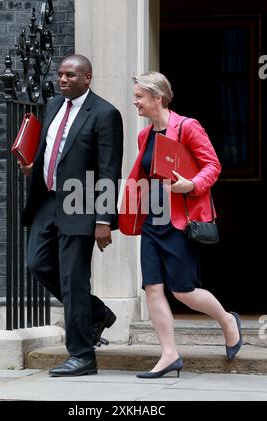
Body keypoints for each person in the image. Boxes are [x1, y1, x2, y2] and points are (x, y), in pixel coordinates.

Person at [119, 71, 242, 378]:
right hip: (152, 221)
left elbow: (212, 165)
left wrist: (191, 185)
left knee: (183, 291)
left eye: (139, 97)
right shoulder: (144, 136)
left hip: (179, 221)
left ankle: (227, 320)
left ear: (157, 98)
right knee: (152, 288)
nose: (135, 102)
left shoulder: (187, 127)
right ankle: (169, 354)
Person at [19, 54, 123, 377]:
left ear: (87, 78)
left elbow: (109, 171)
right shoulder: (52, 106)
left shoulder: (106, 114)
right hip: (48, 201)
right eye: (61, 75)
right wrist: (34, 167)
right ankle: (96, 312)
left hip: (81, 204)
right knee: (36, 262)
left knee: (73, 278)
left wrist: (104, 220)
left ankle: (82, 355)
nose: (62, 80)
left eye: (70, 76)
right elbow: (54, 151)